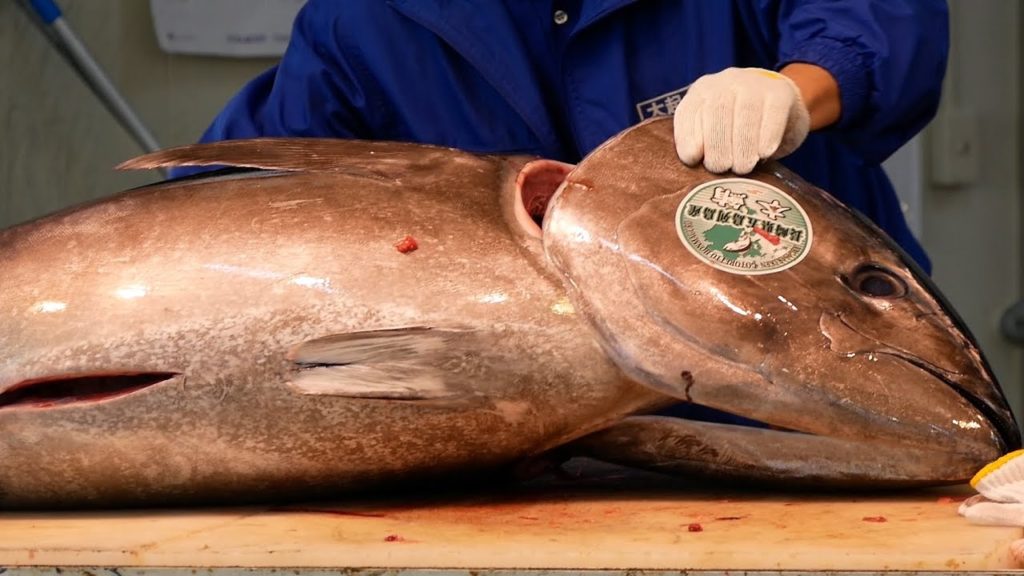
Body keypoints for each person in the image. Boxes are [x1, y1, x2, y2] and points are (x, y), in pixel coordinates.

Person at [176, 1, 948, 271]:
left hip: (803, 393)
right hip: (532, 433)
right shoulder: (365, 21)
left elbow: (879, 23)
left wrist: (795, 90)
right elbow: (232, 197)